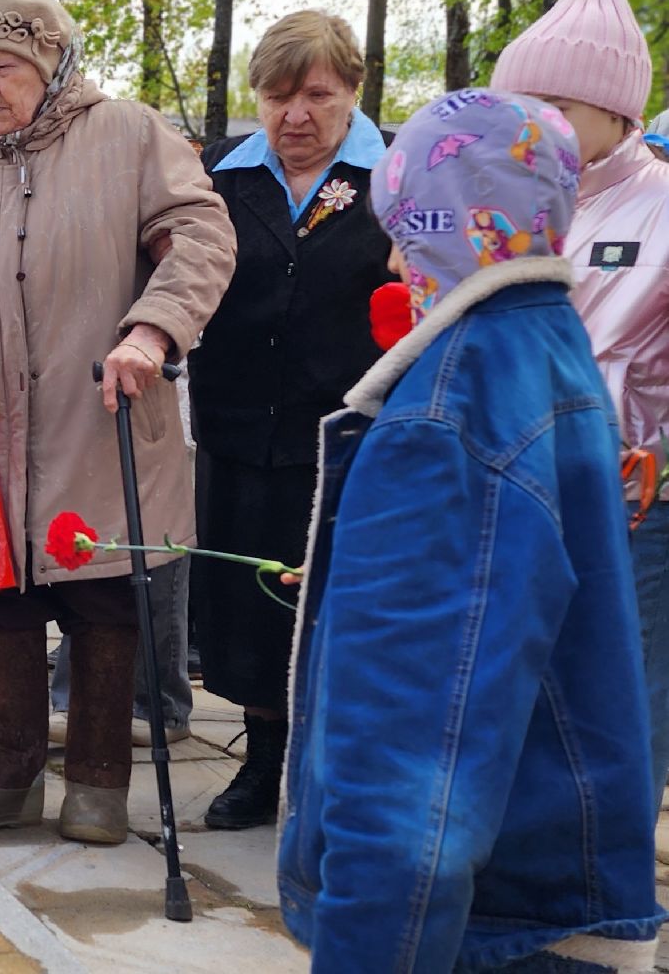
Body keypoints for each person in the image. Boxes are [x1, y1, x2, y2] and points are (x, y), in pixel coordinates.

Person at [280, 89, 665, 972]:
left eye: (404, 227)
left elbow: (412, 760)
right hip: (550, 879)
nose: (389, 252)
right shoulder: (550, 346)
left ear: (438, 223)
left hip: (480, 933)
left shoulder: (443, 420)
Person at [0, 0, 235, 843]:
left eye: (0, 65)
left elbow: (199, 233)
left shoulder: (130, 135)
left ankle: (100, 783)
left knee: (103, 599)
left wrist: (153, 331)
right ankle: (1, 774)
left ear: (49, 61)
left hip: (99, 405)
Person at [188, 10, 397, 829]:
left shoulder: (397, 177)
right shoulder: (219, 177)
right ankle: (261, 768)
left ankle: (337, 778)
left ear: (353, 90)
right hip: (240, 430)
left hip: (349, 435)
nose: (295, 115)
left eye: (317, 94)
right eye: (278, 96)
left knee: (341, 612)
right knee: (249, 609)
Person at [488, 0, 669, 804]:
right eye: (524, 102)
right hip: (515, 482)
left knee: (619, 699)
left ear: (617, 109)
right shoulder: (504, 203)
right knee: (523, 688)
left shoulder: (660, 207)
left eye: (558, 103)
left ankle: (612, 886)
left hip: (630, 497)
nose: (538, 122)